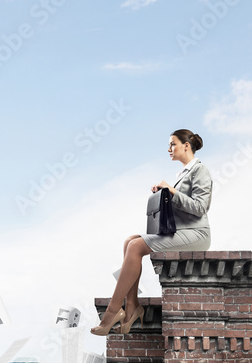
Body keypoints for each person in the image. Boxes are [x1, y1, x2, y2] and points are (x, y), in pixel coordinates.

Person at [90, 129, 212, 336]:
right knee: (129, 241)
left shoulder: (200, 171)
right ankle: (132, 307)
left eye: (172, 144)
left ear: (186, 146)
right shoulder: (183, 174)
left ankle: (112, 311)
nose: (169, 149)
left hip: (197, 234)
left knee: (136, 247)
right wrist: (164, 194)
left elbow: (200, 207)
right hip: (182, 230)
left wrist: (171, 191)